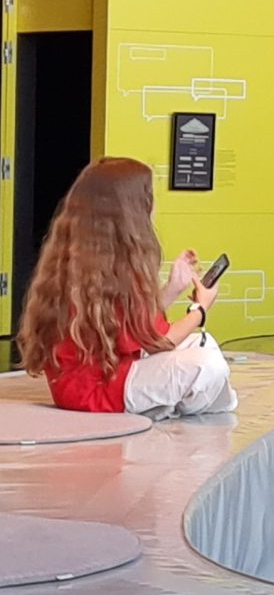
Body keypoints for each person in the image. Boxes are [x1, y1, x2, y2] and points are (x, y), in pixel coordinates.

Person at [17, 157, 238, 420]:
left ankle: (171, 403)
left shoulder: (84, 262)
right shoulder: (117, 271)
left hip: (94, 380)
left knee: (202, 344)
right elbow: (159, 341)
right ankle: (176, 406)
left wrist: (173, 288)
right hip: (100, 390)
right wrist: (200, 309)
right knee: (208, 365)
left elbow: (131, 325)